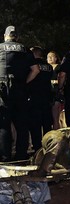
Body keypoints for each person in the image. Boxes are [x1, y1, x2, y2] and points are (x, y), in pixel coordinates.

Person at [0, 26, 40, 161]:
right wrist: (25, 82)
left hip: (3, 91)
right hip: (20, 89)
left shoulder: (0, 47)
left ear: (5, 36)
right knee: (22, 125)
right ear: (16, 37)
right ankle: (21, 156)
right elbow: (36, 70)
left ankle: (5, 157)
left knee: (3, 125)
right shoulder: (24, 49)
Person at [28, 46, 53, 153]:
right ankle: (48, 146)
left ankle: (37, 147)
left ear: (33, 54)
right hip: (46, 97)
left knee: (35, 125)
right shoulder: (48, 66)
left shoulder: (31, 65)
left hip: (34, 97)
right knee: (47, 123)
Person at [47, 51, 66, 129]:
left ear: (56, 58)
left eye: (52, 56)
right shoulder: (45, 67)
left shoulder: (59, 67)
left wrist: (59, 86)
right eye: (48, 57)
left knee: (56, 118)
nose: (50, 58)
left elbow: (63, 76)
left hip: (55, 93)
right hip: (47, 93)